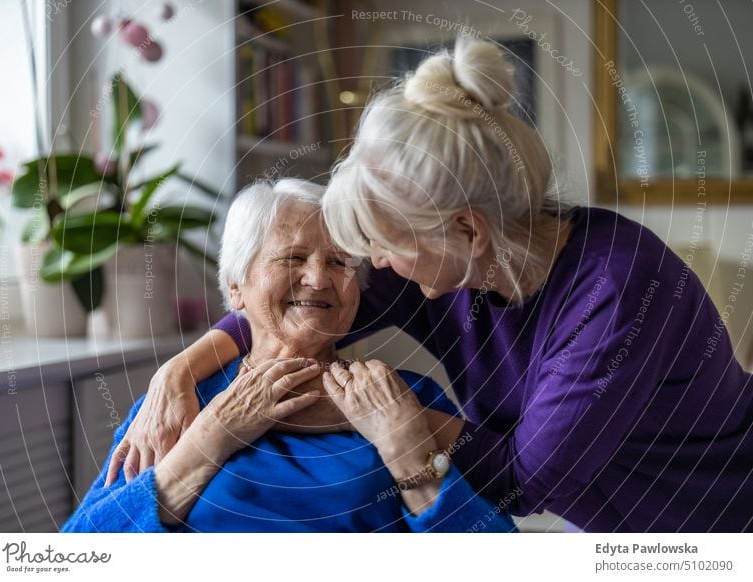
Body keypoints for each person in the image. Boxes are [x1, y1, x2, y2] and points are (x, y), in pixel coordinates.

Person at [110, 38, 753, 532]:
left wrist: (393, 424)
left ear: (467, 232)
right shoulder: (450, 265)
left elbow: (521, 483)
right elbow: (306, 307)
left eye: (383, 244)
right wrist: (180, 369)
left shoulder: (614, 296)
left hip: (711, 519)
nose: (373, 267)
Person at [64, 179, 514, 533]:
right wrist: (208, 442)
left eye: (340, 264)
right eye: (293, 258)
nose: (319, 279)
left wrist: (408, 454)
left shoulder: (404, 397)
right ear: (235, 287)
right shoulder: (180, 403)